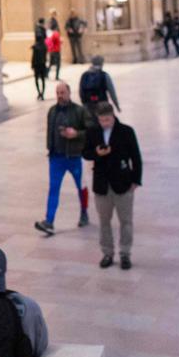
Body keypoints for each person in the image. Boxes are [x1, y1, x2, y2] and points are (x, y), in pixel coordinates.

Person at [83, 103, 142, 270]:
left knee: (126, 221)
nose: (104, 123)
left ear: (113, 116)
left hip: (122, 183)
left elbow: (136, 157)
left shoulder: (126, 132)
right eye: (101, 120)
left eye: (107, 119)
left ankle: (125, 253)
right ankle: (107, 252)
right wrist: (97, 153)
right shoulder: (93, 131)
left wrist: (136, 180)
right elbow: (85, 153)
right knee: (104, 221)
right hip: (102, 184)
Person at [35, 81, 89, 236]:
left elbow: (91, 132)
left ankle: (84, 212)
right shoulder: (52, 111)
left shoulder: (79, 111)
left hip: (74, 157)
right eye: (58, 93)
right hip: (56, 158)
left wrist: (76, 134)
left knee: (81, 187)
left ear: (69, 93)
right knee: (53, 189)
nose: (60, 95)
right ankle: (49, 221)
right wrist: (50, 150)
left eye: (62, 92)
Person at [78, 55, 121, 124]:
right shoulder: (104, 75)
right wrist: (117, 106)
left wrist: (84, 105)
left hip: (88, 106)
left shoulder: (84, 75)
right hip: (103, 105)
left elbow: (81, 92)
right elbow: (112, 93)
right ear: (101, 64)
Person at [31, 33, 48, 101]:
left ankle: (39, 93)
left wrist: (32, 65)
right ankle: (42, 93)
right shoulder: (44, 46)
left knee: (36, 80)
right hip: (43, 65)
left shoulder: (35, 46)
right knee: (43, 80)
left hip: (37, 65)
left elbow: (34, 57)